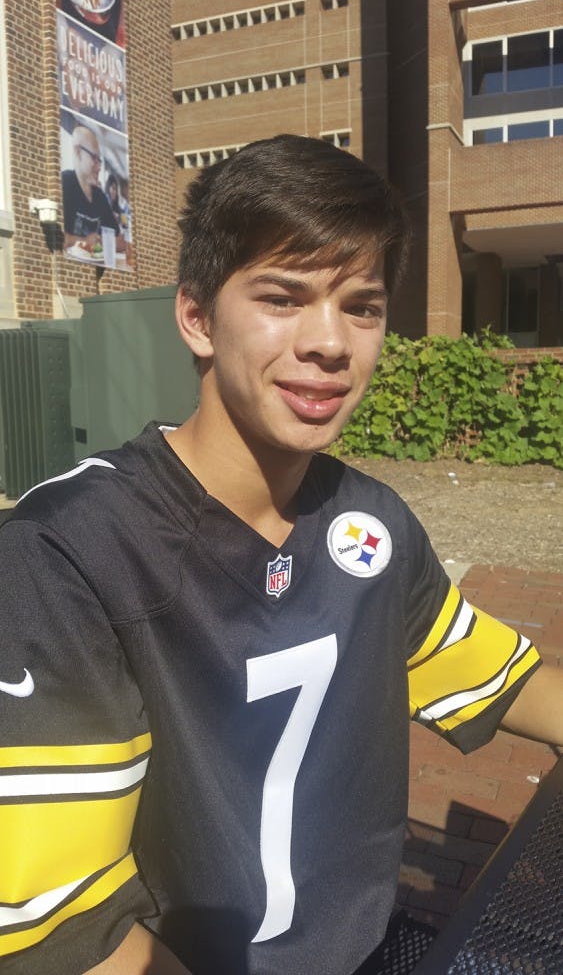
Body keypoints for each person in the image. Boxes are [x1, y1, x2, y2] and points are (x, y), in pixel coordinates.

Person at [1, 135, 561, 975]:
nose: (330, 342)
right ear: (196, 318)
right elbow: (57, 925)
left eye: (361, 306)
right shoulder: (65, 551)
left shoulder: (370, 522)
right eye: (282, 296)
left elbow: (494, 674)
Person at [62, 125, 124, 253]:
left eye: (99, 160)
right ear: (78, 152)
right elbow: (57, 237)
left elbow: (119, 239)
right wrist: (85, 241)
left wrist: (101, 242)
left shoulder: (99, 196)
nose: (99, 167)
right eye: (94, 158)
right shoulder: (64, 183)